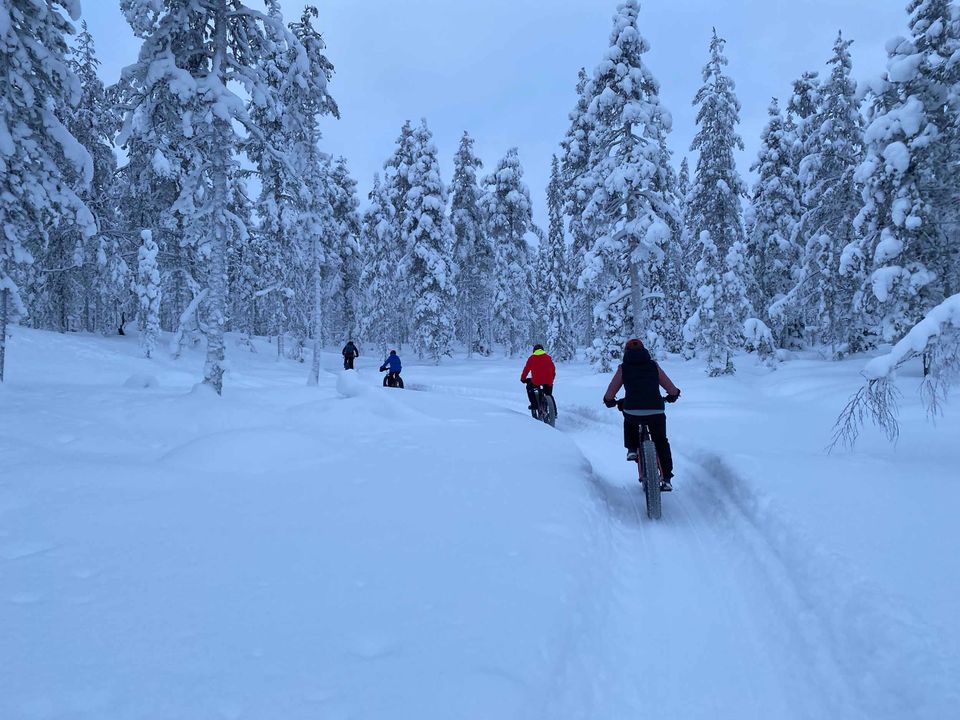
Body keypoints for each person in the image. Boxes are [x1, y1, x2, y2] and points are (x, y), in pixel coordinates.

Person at [602, 338, 680, 490]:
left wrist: (608, 400)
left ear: (626, 352)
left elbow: (613, 388)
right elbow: (669, 386)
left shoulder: (623, 368)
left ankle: (632, 448)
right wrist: (673, 394)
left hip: (633, 409)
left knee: (629, 419)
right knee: (661, 441)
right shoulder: (653, 366)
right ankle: (667, 478)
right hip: (656, 410)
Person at [520, 343, 556, 418]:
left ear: (534, 351)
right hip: (548, 381)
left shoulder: (532, 358)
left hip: (536, 381)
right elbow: (553, 370)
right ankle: (554, 412)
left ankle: (534, 405)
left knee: (529, 387)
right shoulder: (548, 357)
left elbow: (526, 370)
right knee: (549, 394)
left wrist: (523, 379)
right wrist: (552, 379)